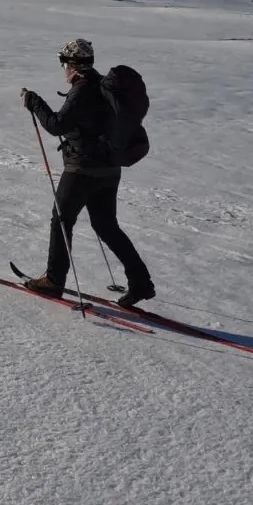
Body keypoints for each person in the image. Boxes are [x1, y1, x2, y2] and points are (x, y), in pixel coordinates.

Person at [18, 38, 156, 307]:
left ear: (71, 65)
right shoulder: (104, 85)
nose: (62, 69)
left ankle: (54, 281)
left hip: (83, 169)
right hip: (109, 170)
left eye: (63, 63)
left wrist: (34, 102)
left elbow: (57, 125)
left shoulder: (82, 90)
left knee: (61, 219)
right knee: (107, 226)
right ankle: (140, 282)